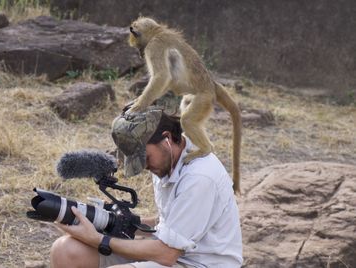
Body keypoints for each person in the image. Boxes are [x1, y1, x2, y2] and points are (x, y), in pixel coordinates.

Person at [50, 107, 243, 268]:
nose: (145, 166)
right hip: (171, 253)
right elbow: (171, 222)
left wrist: (98, 239)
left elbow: (167, 253)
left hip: (200, 263)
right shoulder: (166, 159)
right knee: (66, 251)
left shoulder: (199, 177)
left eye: (146, 158)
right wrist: (122, 222)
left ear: (166, 138)